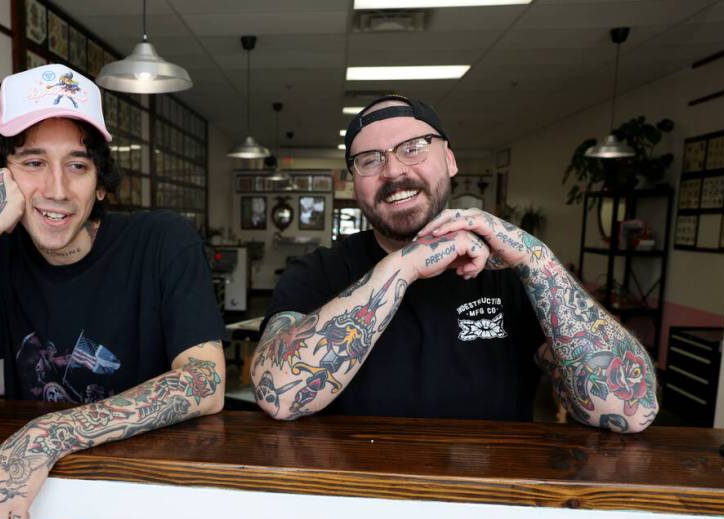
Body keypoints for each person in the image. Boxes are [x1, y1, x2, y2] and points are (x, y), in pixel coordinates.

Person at [0, 64, 225, 519]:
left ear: (100, 183)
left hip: (150, 497)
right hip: (39, 506)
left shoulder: (163, 241)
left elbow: (205, 382)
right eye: (32, 163)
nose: (58, 189)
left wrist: (47, 435)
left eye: (78, 165)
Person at [250, 95, 657, 432]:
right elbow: (279, 395)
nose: (394, 171)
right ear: (354, 182)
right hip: (352, 502)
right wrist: (404, 265)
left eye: (413, 148)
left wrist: (537, 258)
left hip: (489, 504)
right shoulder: (316, 273)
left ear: (450, 160)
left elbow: (629, 410)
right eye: (370, 160)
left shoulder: (513, 274)